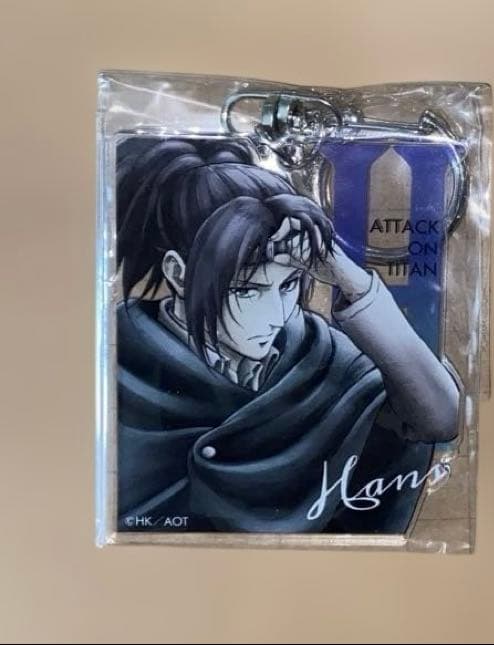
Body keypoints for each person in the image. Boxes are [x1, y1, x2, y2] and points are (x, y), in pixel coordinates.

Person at [114, 137, 460, 532]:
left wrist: (352, 280)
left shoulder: (317, 352)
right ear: (179, 275)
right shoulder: (124, 360)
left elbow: (441, 419)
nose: (276, 315)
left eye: (289, 284)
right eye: (247, 291)